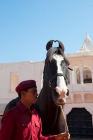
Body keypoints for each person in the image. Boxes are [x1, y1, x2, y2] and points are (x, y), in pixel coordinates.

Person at [0, 80, 70, 140]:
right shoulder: (11, 115)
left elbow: (39, 138)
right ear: (24, 93)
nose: (37, 94)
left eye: (36, 92)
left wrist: (56, 138)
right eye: (33, 92)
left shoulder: (36, 116)